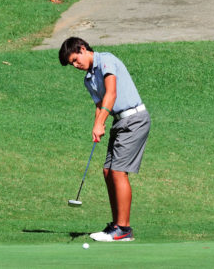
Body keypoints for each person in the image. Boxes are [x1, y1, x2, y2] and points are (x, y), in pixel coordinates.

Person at [59, 37, 151, 242]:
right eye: (71, 64)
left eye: (75, 59)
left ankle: (124, 229)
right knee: (108, 170)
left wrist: (101, 123)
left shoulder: (106, 60)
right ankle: (116, 224)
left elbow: (111, 93)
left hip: (134, 119)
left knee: (118, 171)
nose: (75, 65)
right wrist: (96, 125)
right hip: (120, 123)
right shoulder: (88, 79)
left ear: (83, 49)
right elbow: (100, 105)